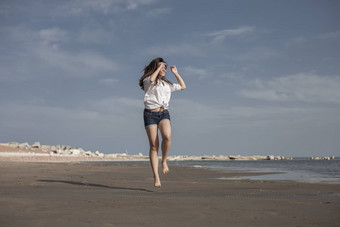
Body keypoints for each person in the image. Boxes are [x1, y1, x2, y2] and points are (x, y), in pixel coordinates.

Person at [139, 57, 186, 187]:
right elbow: (153, 79)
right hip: (150, 114)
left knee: (167, 136)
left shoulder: (167, 85)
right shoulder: (148, 81)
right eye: (161, 67)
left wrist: (176, 73)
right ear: (156, 68)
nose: (164, 69)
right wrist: (159, 67)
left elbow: (183, 86)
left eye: (165, 67)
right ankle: (156, 176)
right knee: (154, 146)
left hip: (163, 112)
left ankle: (164, 161)